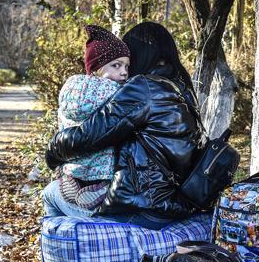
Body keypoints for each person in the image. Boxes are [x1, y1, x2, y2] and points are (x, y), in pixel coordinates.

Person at [44, 22, 204, 229]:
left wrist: (52, 151)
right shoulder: (182, 89)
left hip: (141, 210)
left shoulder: (143, 87)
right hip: (173, 204)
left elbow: (87, 136)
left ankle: (69, 257)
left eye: (128, 62)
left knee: (49, 193)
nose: (125, 71)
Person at [54, 25, 130, 213]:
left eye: (127, 66)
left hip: (72, 162)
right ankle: (100, 187)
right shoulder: (115, 91)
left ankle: (71, 179)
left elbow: (62, 123)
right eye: (116, 65)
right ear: (96, 68)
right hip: (100, 170)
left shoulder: (70, 88)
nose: (124, 72)